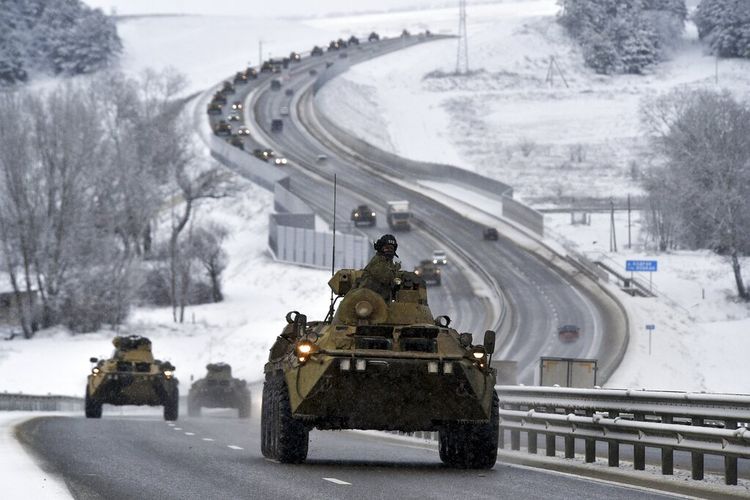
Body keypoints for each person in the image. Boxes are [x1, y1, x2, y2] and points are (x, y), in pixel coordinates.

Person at [358, 234, 401, 302]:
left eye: (391, 248)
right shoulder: (378, 261)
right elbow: (386, 277)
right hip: (368, 299)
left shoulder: (388, 262)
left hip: (380, 299)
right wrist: (396, 272)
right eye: (386, 248)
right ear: (381, 248)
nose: (389, 250)